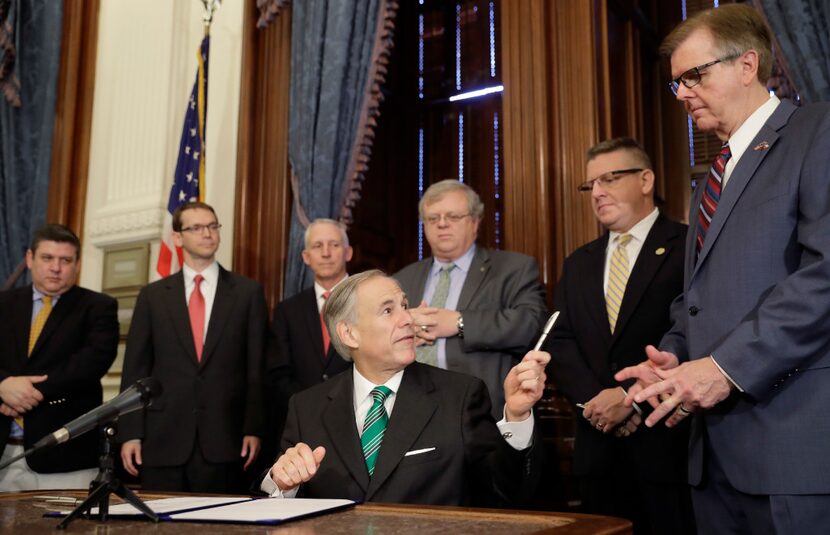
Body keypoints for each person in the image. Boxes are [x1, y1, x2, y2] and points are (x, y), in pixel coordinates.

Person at [615, 5, 830, 533]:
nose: (683, 93)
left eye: (695, 76)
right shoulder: (712, 177)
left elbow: (824, 274)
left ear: (747, 65)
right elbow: (701, 297)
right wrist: (674, 356)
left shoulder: (817, 133)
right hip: (710, 457)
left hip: (790, 448)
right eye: (676, 83)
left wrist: (725, 367)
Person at [260, 270, 549, 506]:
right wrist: (282, 482)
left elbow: (506, 491)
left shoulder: (459, 396)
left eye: (405, 306)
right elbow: (273, 497)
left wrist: (516, 416)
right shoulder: (306, 407)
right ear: (349, 333)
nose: (408, 319)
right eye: (388, 310)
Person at [545, 138, 693, 533]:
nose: (597, 192)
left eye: (610, 178)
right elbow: (559, 341)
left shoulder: (690, 246)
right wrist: (597, 402)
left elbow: (694, 331)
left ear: (645, 180)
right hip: (598, 449)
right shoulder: (579, 263)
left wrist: (631, 401)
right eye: (590, 184)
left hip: (666, 443)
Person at [119, 201, 267, 493]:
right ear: (178, 238)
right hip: (163, 439)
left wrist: (254, 427)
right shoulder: (153, 296)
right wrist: (131, 433)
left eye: (213, 226)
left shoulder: (248, 293)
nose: (207, 234)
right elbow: (136, 369)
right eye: (196, 228)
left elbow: (256, 369)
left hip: (226, 440)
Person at [394, 180, 547, 417]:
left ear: (474, 222)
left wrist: (458, 322)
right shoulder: (401, 278)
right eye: (433, 219)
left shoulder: (513, 268)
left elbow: (530, 324)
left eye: (453, 216)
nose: (442, 224)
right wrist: (402, 326)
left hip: (480, 409)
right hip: (409, 409)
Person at [0, 224, 118, 490]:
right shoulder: (4, 304)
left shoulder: (99, 307)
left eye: (65, 260)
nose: (56, 267)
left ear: (77, 264)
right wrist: (3, 386)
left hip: (64, 459)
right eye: (47, 258)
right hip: (4, 452)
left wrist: (22, 393)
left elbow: (91, 363)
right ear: (30, 259)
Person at [269, 219, 352, 405]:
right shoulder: (288, 311)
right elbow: (279, 373)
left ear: (348, 253)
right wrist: (308, 406)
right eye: (317, 246)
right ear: (306, 257)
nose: (326, 253)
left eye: (334, 244)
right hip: (303, 419)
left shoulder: (367, 302)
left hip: (356, 416)